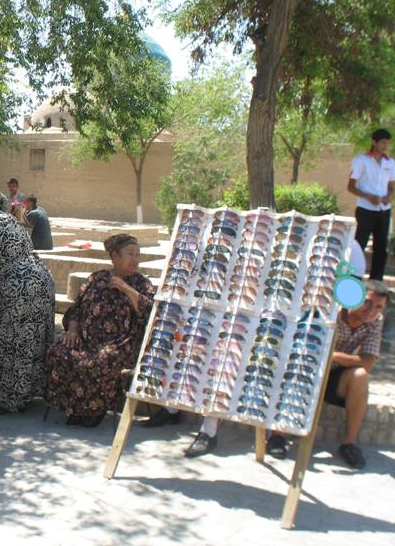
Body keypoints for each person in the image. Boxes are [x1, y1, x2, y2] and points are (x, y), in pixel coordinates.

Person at [145, 281, 388, 469]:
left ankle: (349, 443)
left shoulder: (375, 322)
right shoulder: (330, 311)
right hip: (306, 366)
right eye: (368, 303)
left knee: (359, 377)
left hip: (334, 373)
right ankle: (277, 435)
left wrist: (330, 355)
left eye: (378, 307)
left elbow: (366, 363)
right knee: (284, 364)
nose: (371, 311)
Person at [44, 234, 155, 427]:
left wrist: (126, 289)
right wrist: (72, 329)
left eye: (138, 255)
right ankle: (73, 407)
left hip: (121, 344)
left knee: (100, 361)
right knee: (58, 351)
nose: (135, 259)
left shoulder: (141, 284)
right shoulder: (96, 278)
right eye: (130, 254)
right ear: (114, 256)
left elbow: (149, 312)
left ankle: (93, 412)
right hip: (85, 340)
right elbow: (76, 309)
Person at [0, 185, 55, 413]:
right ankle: (24, 395)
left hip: (19, 287)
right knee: (27, 341)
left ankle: (8, 399)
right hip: (39, 281)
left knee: (11, 340)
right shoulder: (7, 219)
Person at [348, 128, 394, 280]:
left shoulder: (390, 162)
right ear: (374, 142)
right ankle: (354, 279)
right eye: (382, 142)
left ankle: (376, 283)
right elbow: (351, 186)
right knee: (359, 245)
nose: (385, 146)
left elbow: (391, 186)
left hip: (384, 210)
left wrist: (389, 196)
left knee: (381, 248)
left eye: (387, 143)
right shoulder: (361, 161)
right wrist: (368, 196)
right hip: (366, 209)